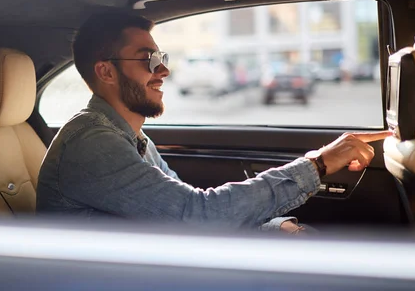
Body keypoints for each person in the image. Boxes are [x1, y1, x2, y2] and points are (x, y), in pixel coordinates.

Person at [36, 12, 391, 232]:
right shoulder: (91, 142)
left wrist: (275, 228)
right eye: (148, 59)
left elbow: (190, 210)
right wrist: (319, 163)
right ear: (105, 71)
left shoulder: (132, 139)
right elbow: (199, 217)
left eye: (161, 57)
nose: (163, 70)